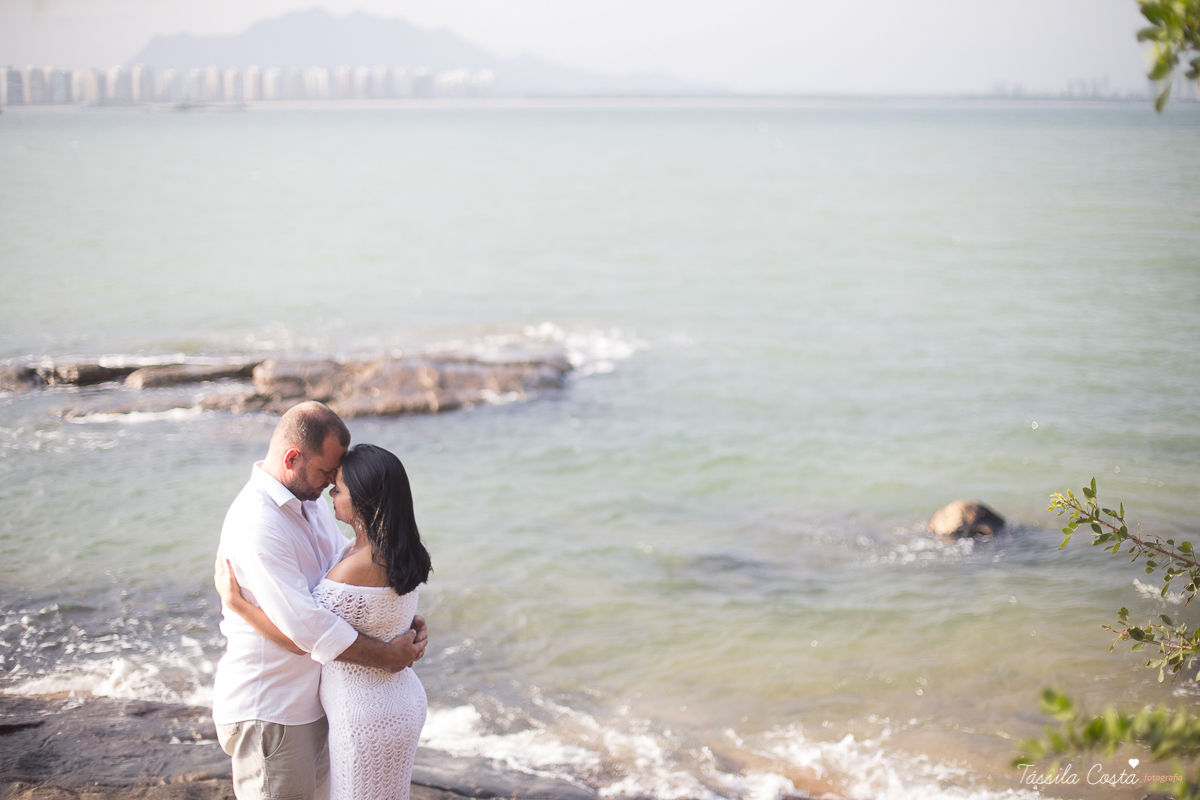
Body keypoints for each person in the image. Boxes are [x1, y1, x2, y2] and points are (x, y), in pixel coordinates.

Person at [212, 401, 428, 800]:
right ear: (293, 458)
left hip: (319, 705)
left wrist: (397, 619)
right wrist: (388, 655)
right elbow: (304, 632)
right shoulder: (259, 523)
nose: (332, 484)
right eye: (327, 471)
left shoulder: (308, 505)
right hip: (273, 709)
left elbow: (349, 575)